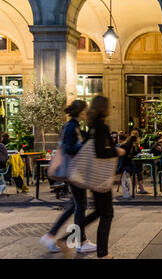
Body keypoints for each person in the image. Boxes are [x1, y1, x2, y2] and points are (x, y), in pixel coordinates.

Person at [59, 96, 125, 259]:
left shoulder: (92, 126)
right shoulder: (101, 126)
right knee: (107, 214)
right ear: (104, 108)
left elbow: (87, 149)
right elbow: (100, 152)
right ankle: (102, 253)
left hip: (92, 176)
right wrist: (117, 151)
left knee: (98, 212)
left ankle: (66, 239)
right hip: (99, 177)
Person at [40, 100, 97, 254]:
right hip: (73, 170)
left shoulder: (74, 125)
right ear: (81, 111)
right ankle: (81, 241)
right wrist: (84, 144)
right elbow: (69, 148)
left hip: (74, 170)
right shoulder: (71, 126)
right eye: (85, 110)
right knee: (81, 205)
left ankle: (51, 236)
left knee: (75, 205)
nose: (87, 113)